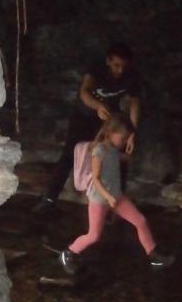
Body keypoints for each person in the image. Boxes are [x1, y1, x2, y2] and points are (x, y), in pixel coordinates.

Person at [32, 42, 141, 213]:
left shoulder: (132, 76)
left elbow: (135, 103)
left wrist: (132, 132)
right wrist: (98, 106)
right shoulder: (96, 69)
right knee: (69, 155)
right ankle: (49, 198)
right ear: (108, 61)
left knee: (116, 157)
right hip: (83, 116)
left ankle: (116, 205)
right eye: (116, 65)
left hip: (108, 120)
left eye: (124, 66)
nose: (120, 70)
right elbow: (84, 92)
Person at [59, 116, 174, 272]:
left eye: (126, 138)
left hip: (116, 197)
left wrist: (126, 156)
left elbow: (117, 158)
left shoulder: (113, 150)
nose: (125, 141)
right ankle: (69, 252)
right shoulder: (99, 150)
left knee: (140, 221)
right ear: (110, 133)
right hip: (100, 199)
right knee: (94, 235)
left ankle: (153, 255)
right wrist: (108, 197)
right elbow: (96, 179)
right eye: (123, 138)